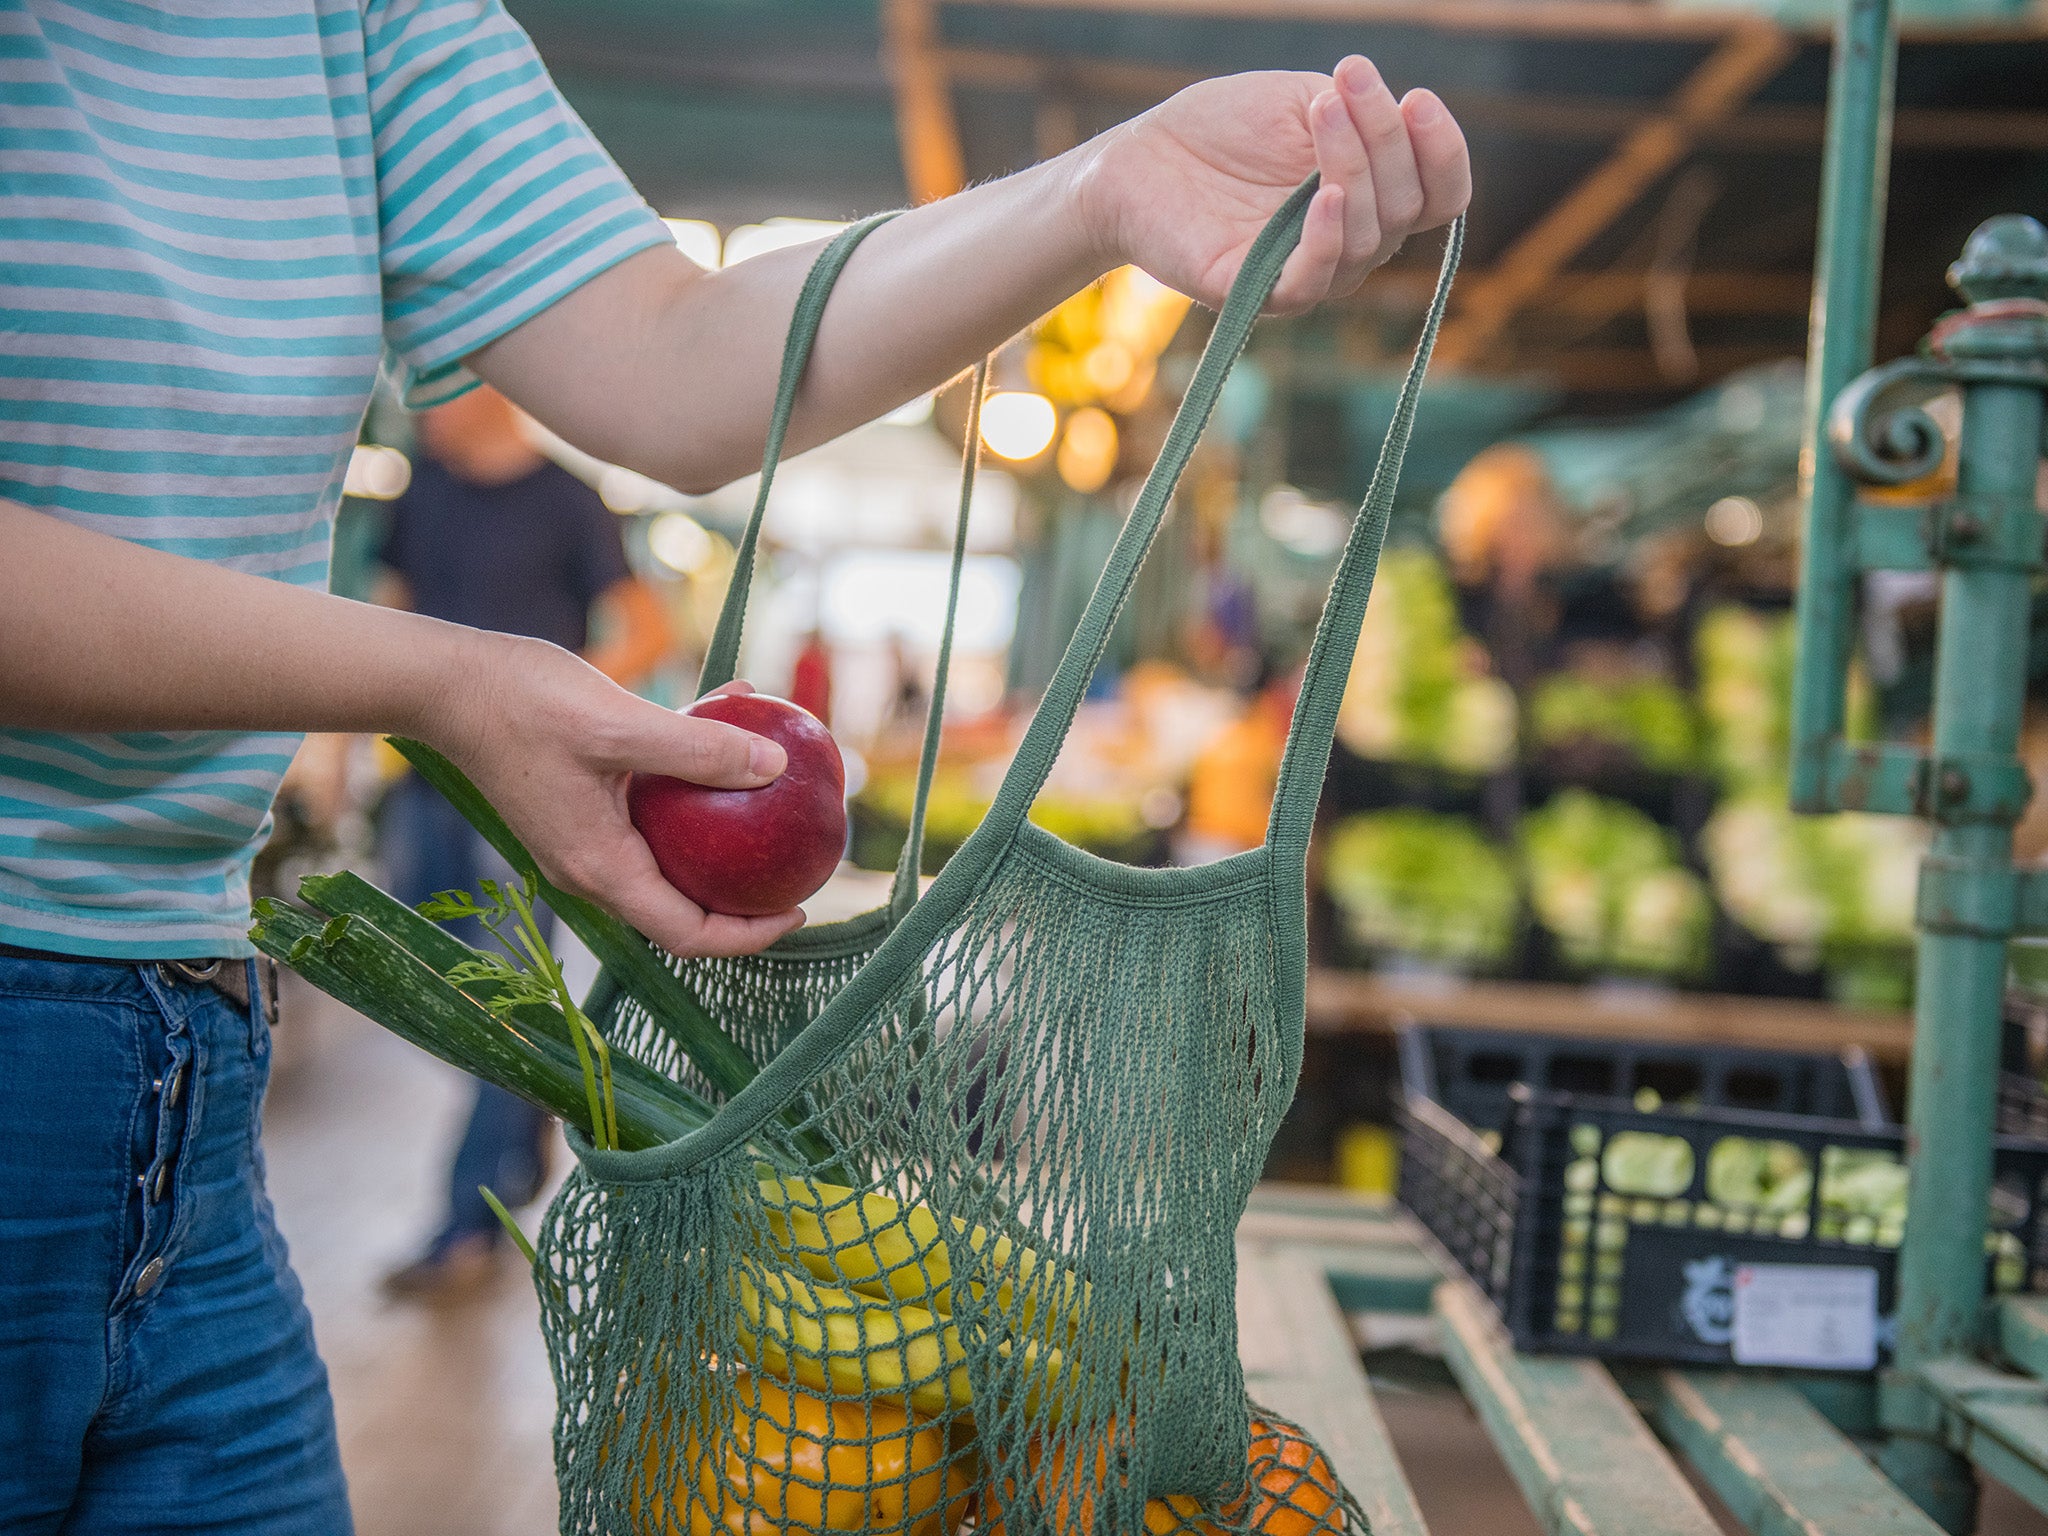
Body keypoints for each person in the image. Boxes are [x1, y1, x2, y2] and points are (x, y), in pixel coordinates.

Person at [0, 0, 1469, 1523]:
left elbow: (673, 356)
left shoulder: (349, 18)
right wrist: (442, 684)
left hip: (192, 1041)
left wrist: (1104, 189)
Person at [372, 384, 671, 1299]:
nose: (417, 401)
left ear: (490, 384)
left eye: (434, 382)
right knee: (413, 978)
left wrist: (551, 702)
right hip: (419, 782)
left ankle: (466, 1222)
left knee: (487, 1008)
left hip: (515, 799)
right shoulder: (419, 490)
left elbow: (653, 628)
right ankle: (535, 1081)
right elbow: (386, 614)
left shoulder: (569, 500)